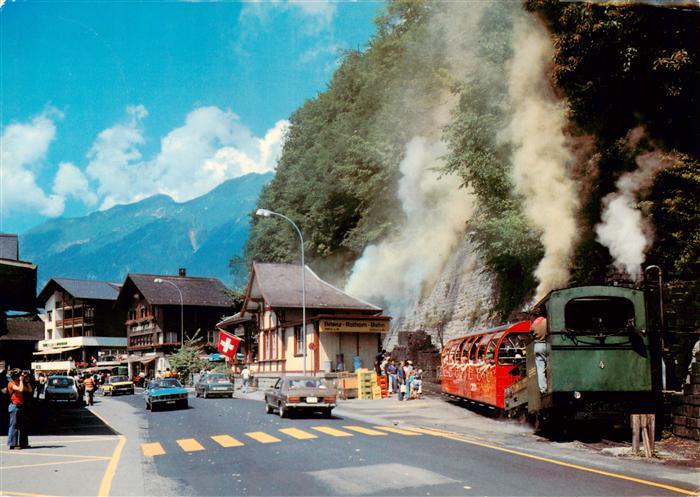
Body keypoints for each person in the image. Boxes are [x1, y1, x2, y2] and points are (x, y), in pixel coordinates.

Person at [7, 370, 32, 449]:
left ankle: (23, 443)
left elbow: (29, 390)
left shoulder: (19, 383)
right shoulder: (11, 384)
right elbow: (20, 389)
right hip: (14, 406)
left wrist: (27, 382)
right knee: (14, 425)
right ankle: (12, 444)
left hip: (20, 406)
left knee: (23, 425)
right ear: (15, 376)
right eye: (19, 375)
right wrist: (21, 380)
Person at [532, 316, 549, 394]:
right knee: (549, 365)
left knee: (540, 369)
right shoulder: (546, 321)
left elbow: (530, 332)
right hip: (545, 344)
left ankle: (543, 388)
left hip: (537, 345)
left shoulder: (535, 322)